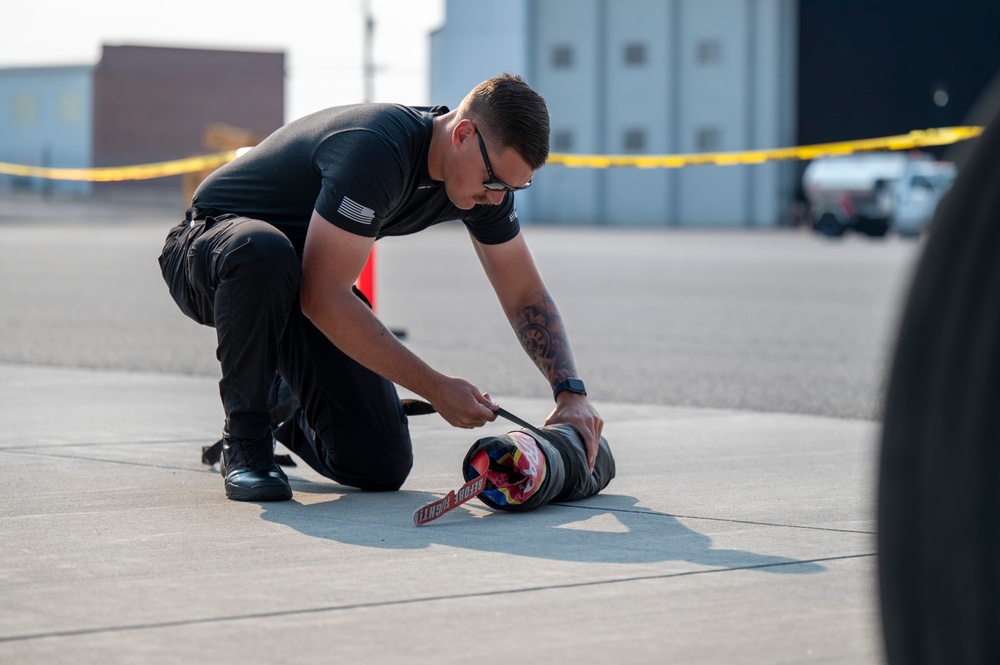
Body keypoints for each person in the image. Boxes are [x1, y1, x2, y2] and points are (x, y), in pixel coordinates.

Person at [158, 73, 604, 502]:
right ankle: (246, 441)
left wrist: (570, 393)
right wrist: (436, 387)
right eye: (493, 182)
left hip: (299, 282)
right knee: (266, 252)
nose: (498, 198)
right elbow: (324, 298)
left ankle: (284, 397)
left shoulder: (482, 185)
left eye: (514, 187)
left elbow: (525, 293)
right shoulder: (378, 149)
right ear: (463, 134)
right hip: (213, 253)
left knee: (380, 462)